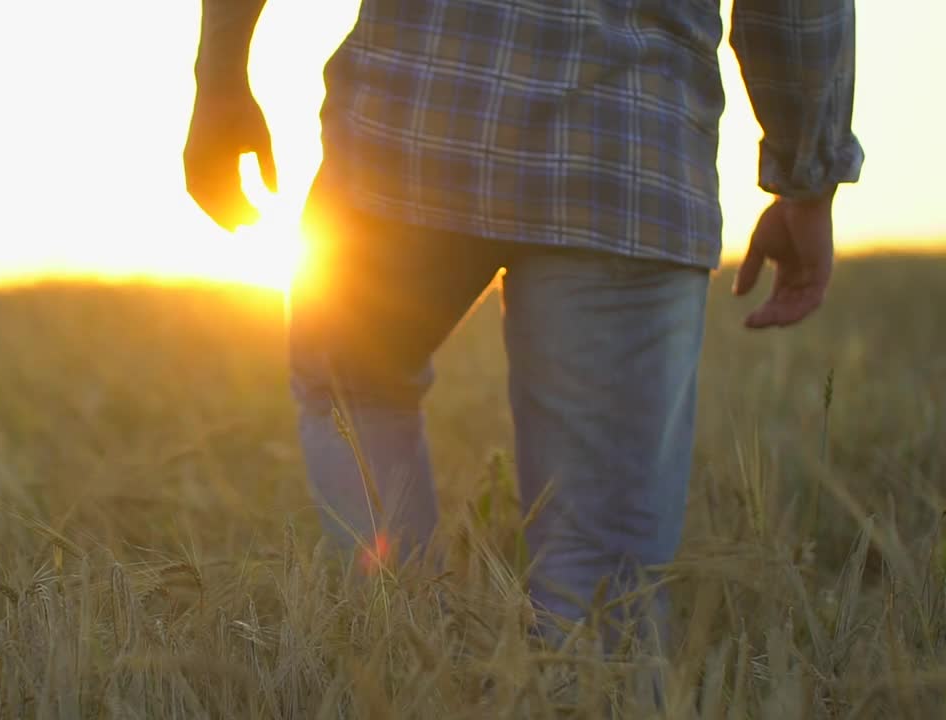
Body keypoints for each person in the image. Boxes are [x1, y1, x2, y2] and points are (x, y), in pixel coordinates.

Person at [183, 0, 862, 650]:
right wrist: (807, 174)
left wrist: (219, 79)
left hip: (411, 121)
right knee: (600, 595)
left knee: (350, 389)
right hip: (628, 156)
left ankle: (401, 655)